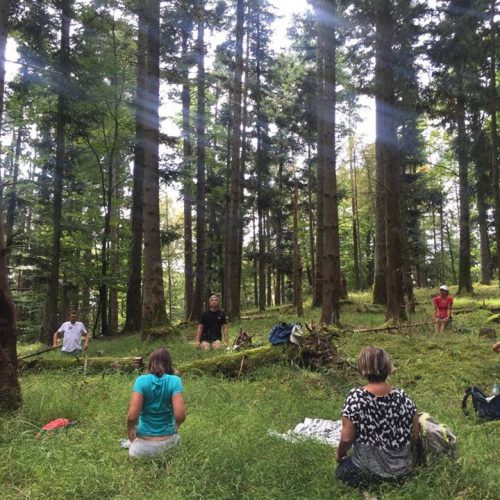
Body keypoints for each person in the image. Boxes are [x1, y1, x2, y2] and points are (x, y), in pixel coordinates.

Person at [336, 346, 419, 487]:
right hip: (403, 474)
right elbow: (415, 434)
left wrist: (339, 455)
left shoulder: (356, 397)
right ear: (387, 366)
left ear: (363, 368)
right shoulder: (403, 396)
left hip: (367, 473)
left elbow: (347, 438)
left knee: (342, 470)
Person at [127, 347, 186, 459]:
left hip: (142, 449)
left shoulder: (141, 380)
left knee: (133, 447)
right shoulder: (175, 381)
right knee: (177, 439)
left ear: (150, 363)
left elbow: (132, 417)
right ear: (169, 364)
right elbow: (180, 415)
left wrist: (130, 431)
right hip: (168, 446)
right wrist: (176, 426)